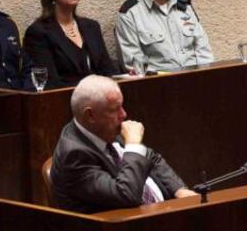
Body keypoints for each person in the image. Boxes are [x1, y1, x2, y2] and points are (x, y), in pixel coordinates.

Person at [50, 75, 197, 213]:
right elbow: (126, 196)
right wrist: (133, 146)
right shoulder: (74, 155)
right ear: (90, 115)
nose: (124, 114)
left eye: (121, 106)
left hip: (163, 209)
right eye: (114, 110)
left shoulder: (100, 128)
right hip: (126, 227)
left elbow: (151, 157)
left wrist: (179, 190)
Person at [24, 0, 120, 89]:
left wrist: (123, 79)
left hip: (101, 95)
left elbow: (108, 69)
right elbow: (50, 82)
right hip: (65, 97)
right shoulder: (39, 32)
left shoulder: (91, 27)